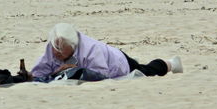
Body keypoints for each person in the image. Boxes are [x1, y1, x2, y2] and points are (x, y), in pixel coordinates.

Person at [31, 23, 183, 80]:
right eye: (55, 48)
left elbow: (101, 74)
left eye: (61, 50)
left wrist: (74, 69)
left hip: (118, 61)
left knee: (146, 70)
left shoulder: (90, 50)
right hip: (108, 55)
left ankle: (172, 63)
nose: (56, 53)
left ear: (73, 45)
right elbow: (39, 72)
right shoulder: (53, 46)